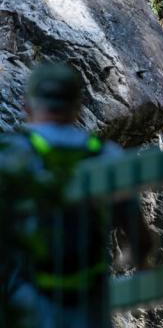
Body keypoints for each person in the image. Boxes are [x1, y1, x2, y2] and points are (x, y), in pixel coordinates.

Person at [0, 62, 152, 328]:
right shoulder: (106, 156)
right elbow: (139, 237)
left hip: (24, 301)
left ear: (27, 105)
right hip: (87, 306)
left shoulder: (10, 155)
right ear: (77, 107)